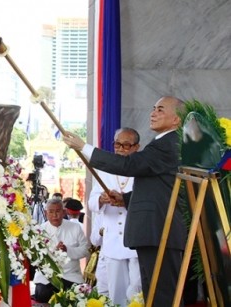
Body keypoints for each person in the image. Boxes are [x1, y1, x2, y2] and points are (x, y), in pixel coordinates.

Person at [62, 96, 187, 306]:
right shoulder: (165, 142)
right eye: (153, 108)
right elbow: (159, 188)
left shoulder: (167, 144)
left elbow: (129, 165)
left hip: (159, 231)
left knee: (162, 294)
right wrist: (125, 199)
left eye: (161, 109)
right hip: (152, 232)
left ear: (176, 119)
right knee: (153, 293)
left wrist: (83, 147)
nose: (153, 113)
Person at [88, 127, 142, 307]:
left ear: (136, 147)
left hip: (135, 240)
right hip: (112, 240)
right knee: (115, 291)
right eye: (117, 144)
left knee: (137, 287)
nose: (121, 149)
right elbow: (91, 202)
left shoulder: (143, 170)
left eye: (126, 145)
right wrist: (101, 199)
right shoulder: (104, 170)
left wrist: (125, 200)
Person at [33, 198, 90, 303]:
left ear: (64, 212)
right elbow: (35, 255)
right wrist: (53, 251)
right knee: (42, 295)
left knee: (78, 297)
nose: (55, 215)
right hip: (47, 276)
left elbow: (85, 250)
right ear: (46, 213)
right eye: (51, 212)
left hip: (71, 275)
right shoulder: (39, 230)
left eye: (58, 211)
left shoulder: (75, 228)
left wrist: (67, 250)